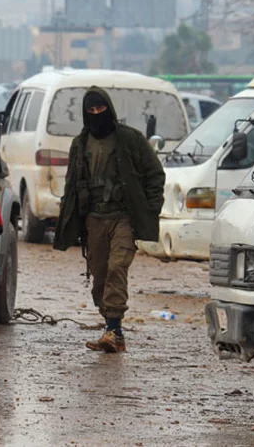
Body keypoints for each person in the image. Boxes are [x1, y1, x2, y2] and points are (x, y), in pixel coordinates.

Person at [54, 86, 165, 353]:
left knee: (117, 266)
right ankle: (111, 326)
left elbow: (155, 175)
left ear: (109, 109)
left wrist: (150, 210)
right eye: (90, 110)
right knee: (101, 275)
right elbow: (71, 186)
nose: (96, 114)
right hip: (94, 219)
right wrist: (69, 221)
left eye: (100, 109)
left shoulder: (130, 139)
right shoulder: (80, 144)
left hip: (123, 216)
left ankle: (114, 330)